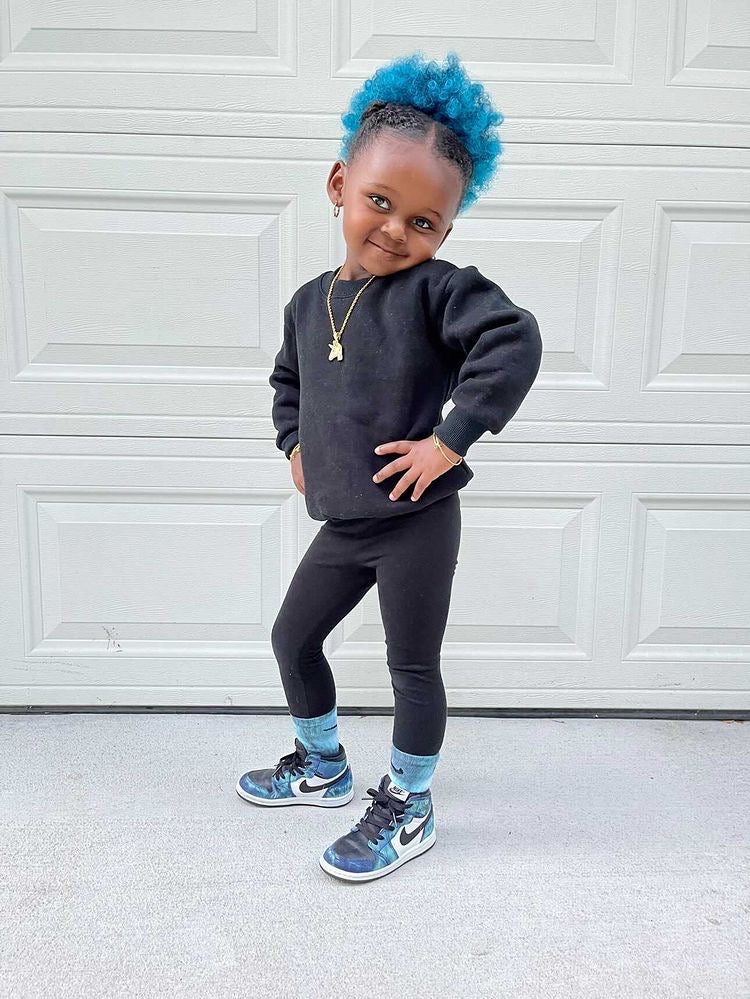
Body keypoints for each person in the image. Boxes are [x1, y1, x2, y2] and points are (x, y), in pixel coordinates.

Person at [236, 50, 543, 882]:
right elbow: (288, 382)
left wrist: (451, 438)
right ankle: (322, 764)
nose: (397, 230)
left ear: (446, 232)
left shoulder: (438, 290)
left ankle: (409, 804)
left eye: (424, 221)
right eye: (380, 201)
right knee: (293, 636)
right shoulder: (308, 302)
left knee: (411, 666)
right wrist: (294, 443)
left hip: (416, 521)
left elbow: (512, 339)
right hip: (344, 522)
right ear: (340, 184)